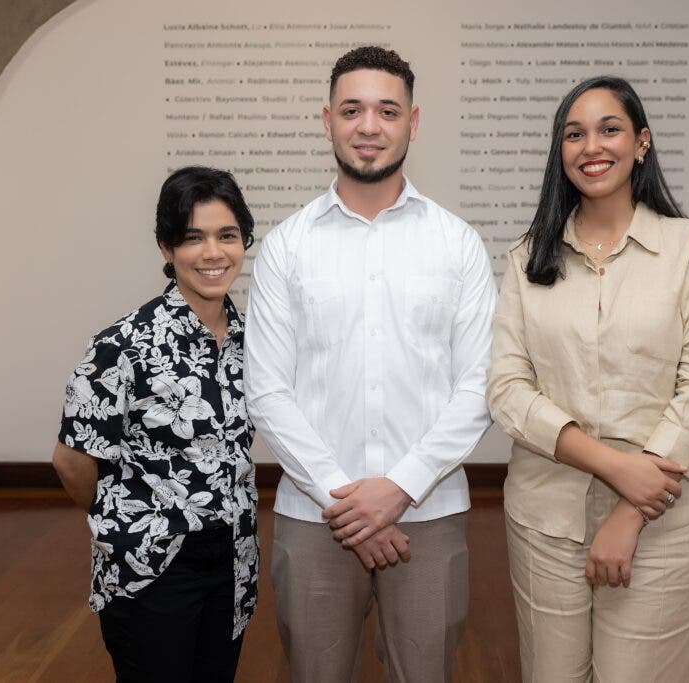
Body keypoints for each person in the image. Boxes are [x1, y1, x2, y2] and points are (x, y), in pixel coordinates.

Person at [244, 46, 496, 682]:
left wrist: (401, 487)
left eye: (387, 110)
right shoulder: (286, 248)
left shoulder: (456, 243)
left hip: (428, 515)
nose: (368, 126)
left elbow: (480, 385)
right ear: (327, 120)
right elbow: (268, 391)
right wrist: (350, 502)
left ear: (413, 122)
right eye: (352, 110)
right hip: (314, 517)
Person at [486, 76, 689, 682]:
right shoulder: (528, 258)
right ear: (560, 150)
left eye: (609, 129)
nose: (591, 146)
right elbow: (506, 386)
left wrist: (631, 506)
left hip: (662, 517)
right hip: (545, 515)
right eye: (574, 133)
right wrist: (612, 463)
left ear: (641, 143)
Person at [51, 166, 257, 683]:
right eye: (193, 238)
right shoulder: (121, 345)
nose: (213, 253)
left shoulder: (253, 341)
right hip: (152, 566)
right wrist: (123, 525)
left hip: (233, 556)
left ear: (244, 241)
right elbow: (72, 461)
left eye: (226, 235)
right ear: (167, 248)